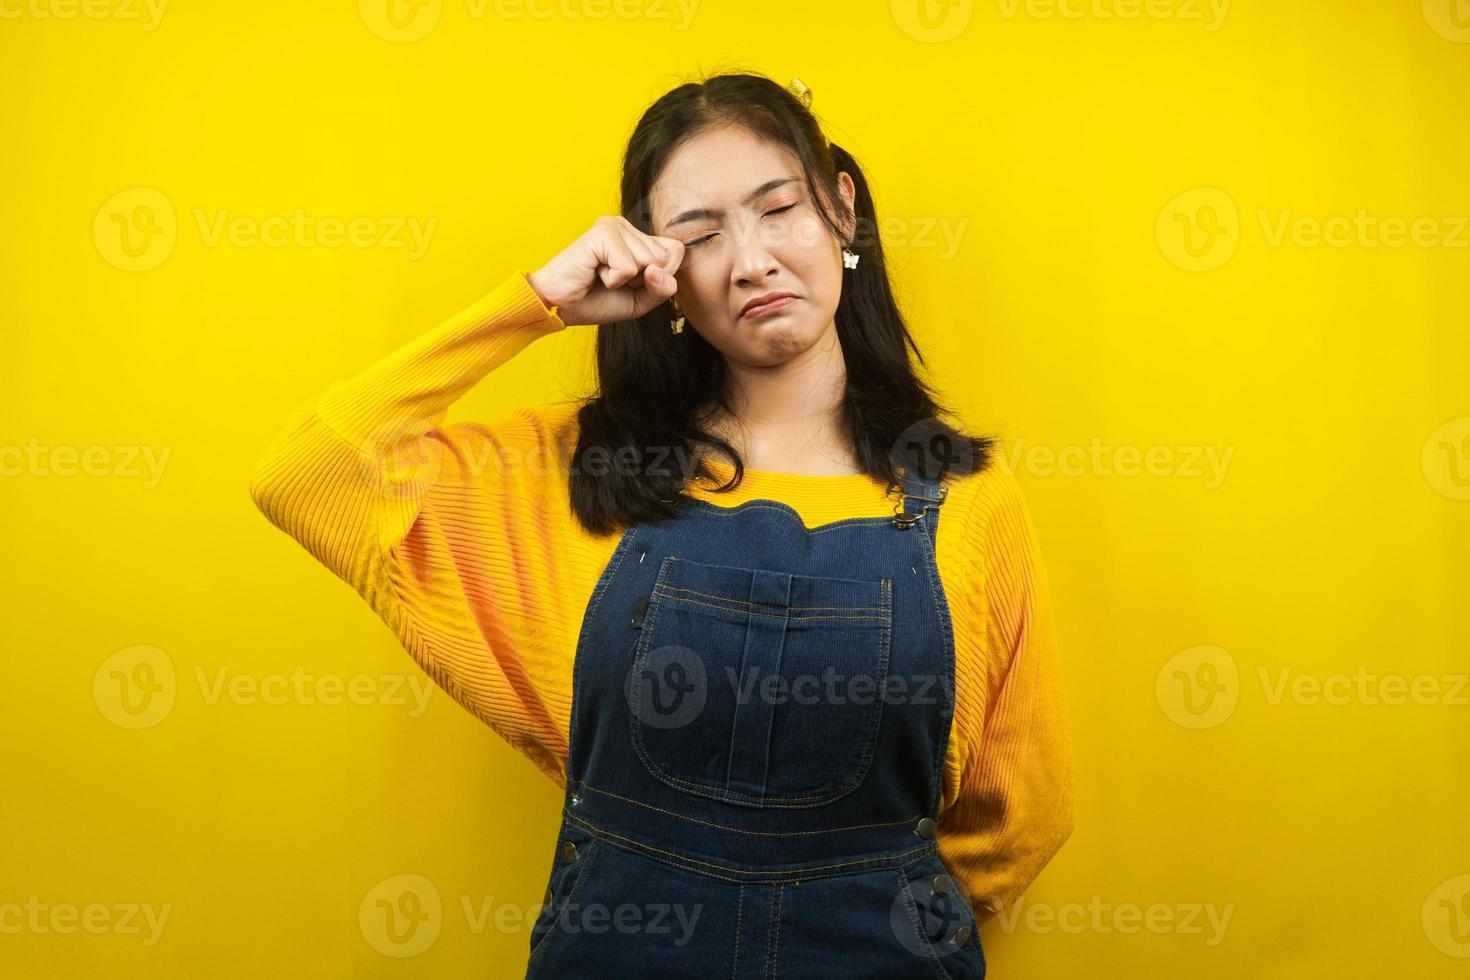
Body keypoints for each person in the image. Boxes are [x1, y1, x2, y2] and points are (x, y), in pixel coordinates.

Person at [248, 71, 1073, 979]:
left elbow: (1021, 817)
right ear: (661, 275)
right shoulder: (574, 479)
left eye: (777, 208)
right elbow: (306, 472)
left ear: (841, 212)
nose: (750, 260)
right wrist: (538, 302)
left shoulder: (966, 497)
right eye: (701, 234)